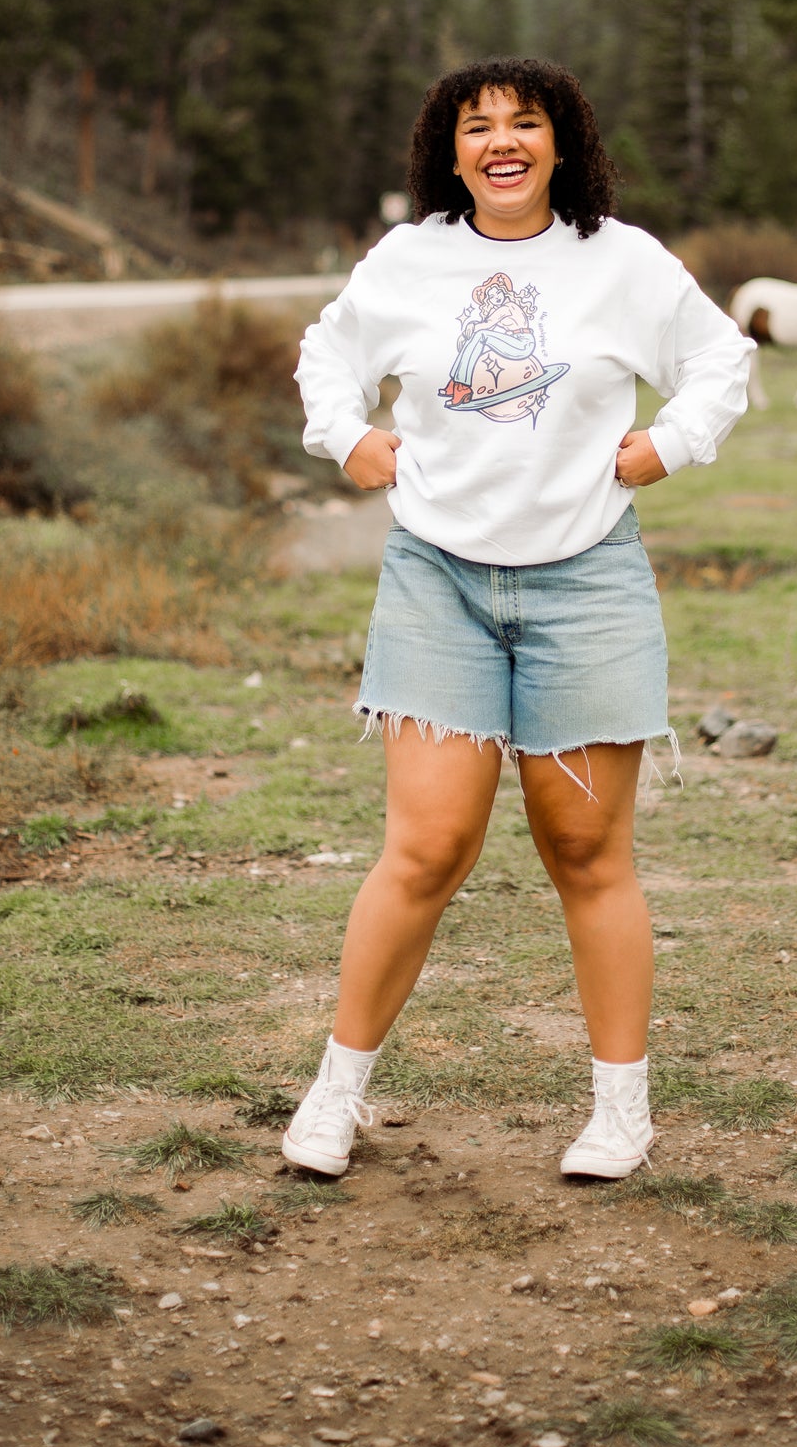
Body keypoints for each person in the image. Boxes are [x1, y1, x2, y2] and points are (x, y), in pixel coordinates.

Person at [287, 58, 753, 1179]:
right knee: (427, 843)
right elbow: (326, 356)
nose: (501, 141)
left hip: (583, 581)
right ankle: (335, 1094)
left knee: (585, 847)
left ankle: (619, 1112)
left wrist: (666, 443)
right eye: (477, 126)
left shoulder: (620, 259)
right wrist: (345, 436)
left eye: (524, 123)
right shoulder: (408, 260)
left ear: (560, 143)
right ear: (448, 154)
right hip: (437, 579)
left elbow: (718, 357)